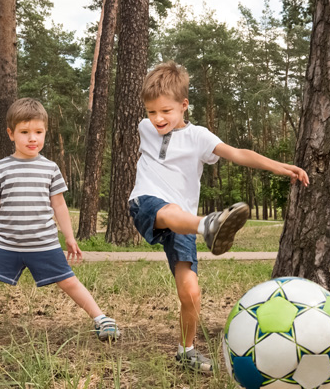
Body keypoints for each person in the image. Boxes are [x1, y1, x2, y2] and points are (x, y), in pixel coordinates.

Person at [128, 61, 309, 372]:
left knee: (191, 291)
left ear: (184, 105)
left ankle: (186, 350)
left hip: (182, 221)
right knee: (170, 212)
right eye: (151, 112)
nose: (157, 119)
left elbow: (237, 153)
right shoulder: (145, 129)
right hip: (147, 202)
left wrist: (280, 167)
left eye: (166, 111)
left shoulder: (198, 136)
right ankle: (207, 225)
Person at [0, 98, 119, 342]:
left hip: (44, 244)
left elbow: (59, 205)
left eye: (38, 132)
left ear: (45, 132)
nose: (32, 138)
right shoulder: (0, 168)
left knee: (70, 283)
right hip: (6, 245)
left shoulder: (51, 169)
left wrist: (69, 237)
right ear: (11, 134)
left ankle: (101, 319)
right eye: (24, 132)